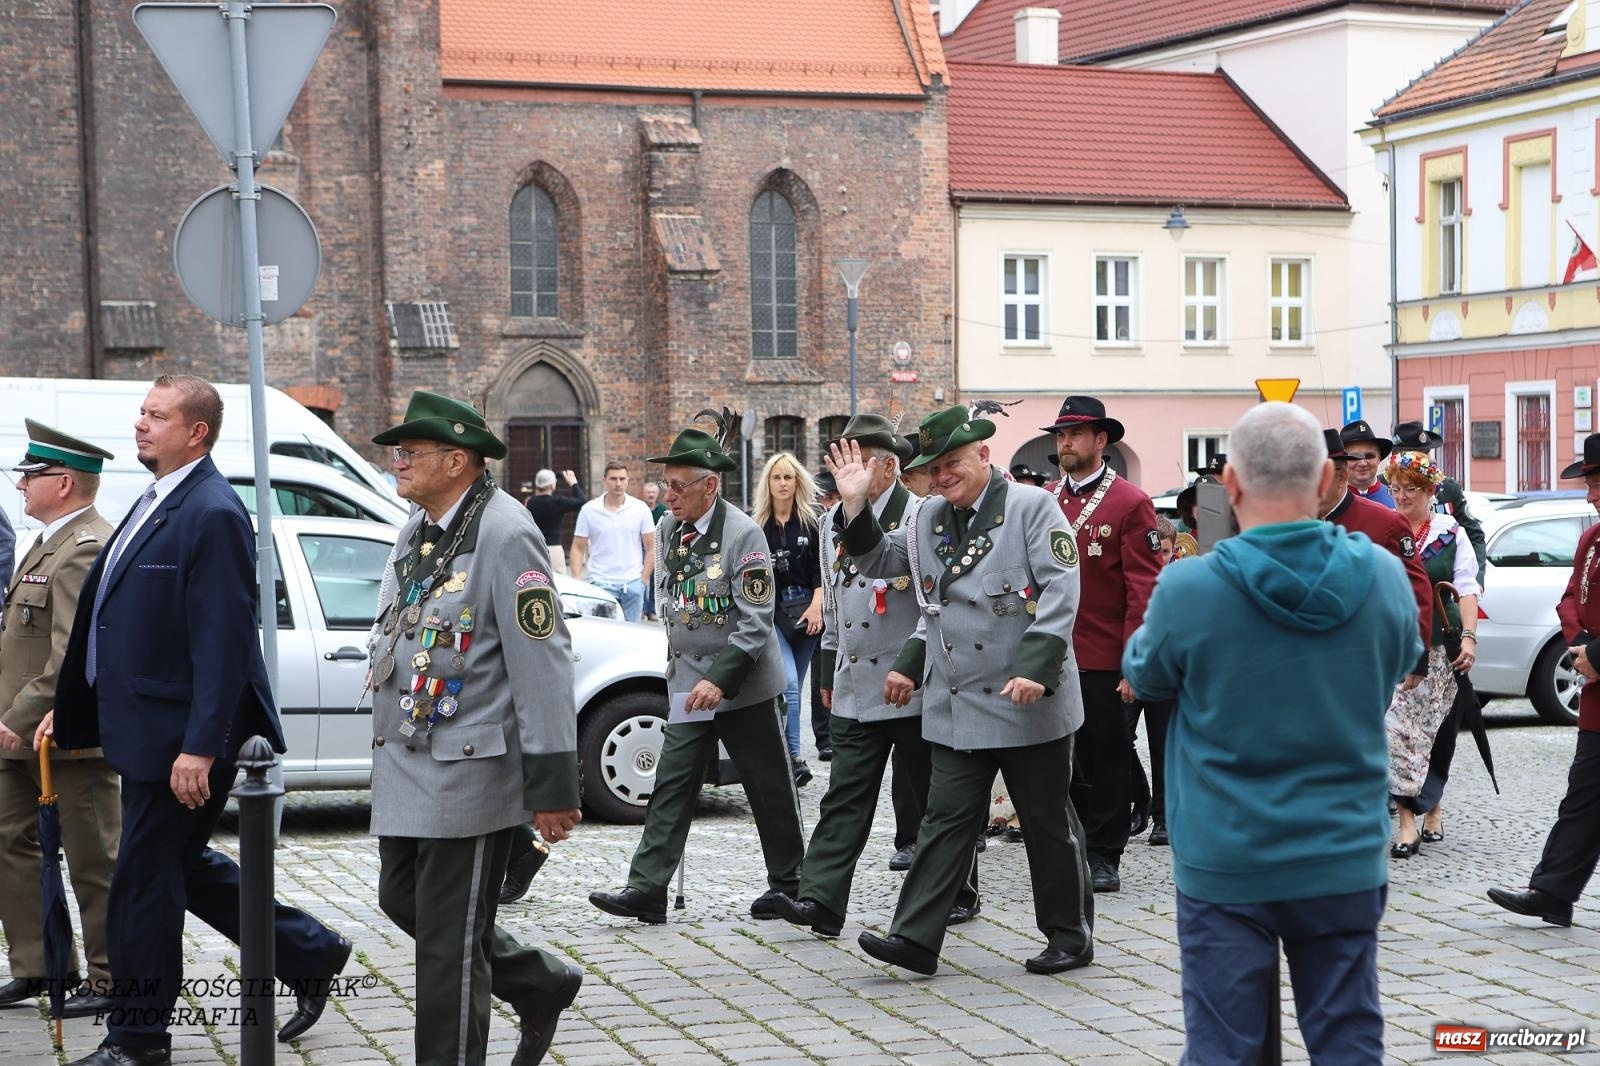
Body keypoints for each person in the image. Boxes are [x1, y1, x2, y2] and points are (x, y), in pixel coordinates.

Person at [44, 375, 351, 1066]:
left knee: (144, 882)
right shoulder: (157, 499)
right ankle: (310, 950)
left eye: (157, 415)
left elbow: (224, 642)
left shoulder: (211, 511)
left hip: (178, 741)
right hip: (142, 730)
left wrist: (201, 747)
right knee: (181, 867)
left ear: (196, 432)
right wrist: (71, 712)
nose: (141, 424)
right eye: (142, 413)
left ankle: (138, 1038)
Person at [1123, 402, 1422, 1064]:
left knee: (1225, 1048)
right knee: (1347, 1035)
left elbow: (1145, 675)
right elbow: (1404, 658)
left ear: (1228, 484)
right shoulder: (1381, 574)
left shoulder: (1189, 587)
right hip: (1341, 846)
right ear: (1325, 481)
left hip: (1227, 853)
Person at [828, 404, 1092, 977]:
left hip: (1026, 696)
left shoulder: (1030, 507)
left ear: (984, 456)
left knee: (1045, 822)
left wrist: (1036, 667)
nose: (943, 475)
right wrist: (854, 504)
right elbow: (879, 559)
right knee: (944, 820)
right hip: (959, 699)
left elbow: (1059, 590)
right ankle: (916, 938)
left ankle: (1069, 937)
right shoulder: (926, 518)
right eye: (934, 469)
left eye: (953, 463)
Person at [367, 390, 584, 1066]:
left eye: (411, 452)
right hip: (412, 759)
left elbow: (543, 660)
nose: (397, 462)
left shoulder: (504, 530)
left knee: (449, 953)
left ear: (456, 460)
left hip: (472, 769)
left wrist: (552, 784)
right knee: (403, 900)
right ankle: (539, 982)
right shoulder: (419, 528)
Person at [771, 414, 980, 940]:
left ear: (887, 467)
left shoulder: (923, 517)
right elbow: (836, 599)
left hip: (912, 677)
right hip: (855, 679)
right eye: (843, 461)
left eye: (860, 461)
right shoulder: (833, 520)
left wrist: (913, 665)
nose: (850, 473)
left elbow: (935, 603)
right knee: (844, 794)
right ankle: (820, 898)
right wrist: (827, 664)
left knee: (934, 794)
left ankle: (959, 890)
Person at [590, 425, 805, 924]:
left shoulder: (743, 535)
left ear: (710, 487)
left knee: (768, 786)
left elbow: (756, 622)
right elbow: (672, 598)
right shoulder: (668, 530)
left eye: (678, 486)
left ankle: (791, 884)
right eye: (666, 485)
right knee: (672, 781)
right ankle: (647, 888)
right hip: (689, 679)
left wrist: (721, 679)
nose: (669, 496)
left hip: (744, 684)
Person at [0, 423, 118, 1019]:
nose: (20, 483)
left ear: (64, 481)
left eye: (31, 474)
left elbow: (71, 654)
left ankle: (109, 977)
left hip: (60, 736)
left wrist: (22, 715)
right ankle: (40, 965)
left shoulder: (86, 547)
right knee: (8, 844)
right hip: (16, 735)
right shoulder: (48, 540)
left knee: (94, 859)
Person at [1043, 396, 1161, 893]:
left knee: (1108, 754)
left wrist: (1136, 660)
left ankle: (1105, 853)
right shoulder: (1046, 497)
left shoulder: (1130, 502)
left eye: (1076, 433)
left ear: (1100, 440)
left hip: (1106, 653)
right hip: (1051, 651)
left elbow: (1144, 588)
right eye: (1061, 434)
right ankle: (1072, 843)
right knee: (1061, 757)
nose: (1065, 442)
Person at [1488, 433, 1600, 927]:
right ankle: (1553, 891)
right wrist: (1580, 647)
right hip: (1597, 688)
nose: (1591, 494)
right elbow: (1570, 597)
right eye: (1590, 483)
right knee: (1584, 795)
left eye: (1598, 483)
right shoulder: (1590, 539)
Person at [1392, 421, 1489, 842]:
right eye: (1395, 486)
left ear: (1431, 491)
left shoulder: (1452, 534)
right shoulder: (1384, 529)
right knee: (1396, 731)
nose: (1400, 495)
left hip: (1439, 646)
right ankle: (1406, 821)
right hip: (1393, 648)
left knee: (1437, 730)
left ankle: (1433, 804)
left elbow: (1466, 588)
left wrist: (1469, 636)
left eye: (1409, 487)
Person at [753, 452, 825, 785]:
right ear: (768, 483)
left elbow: (821, 570)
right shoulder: (757, 526)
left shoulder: (813, 520)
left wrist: (817, 605)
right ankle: (794, 757)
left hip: (808, 615)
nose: (783, 484)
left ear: (798, 482)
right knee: (791, 686)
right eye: (776, 478)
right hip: (774, 616)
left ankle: (784, 751)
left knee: (795, 686)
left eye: (788, 477)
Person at [1126, 515, 1177, 847]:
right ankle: (1138, 795)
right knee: (1115, 741)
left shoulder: (1181, 581)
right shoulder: (1128, 577)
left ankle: (1164, 818)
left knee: (1164, 748)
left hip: (1166, 674)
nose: (1161, 558)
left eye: (1167, 550)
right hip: (1129, 671)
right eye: (1157, 551)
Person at [570, 461, 655, 623]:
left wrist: (643, 581)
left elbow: (651, 547)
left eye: (622, 479)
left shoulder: (640, 509)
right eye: (613, 479)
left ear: (628, 480)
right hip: (600, 583)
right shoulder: (589, 510)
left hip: (632, 584)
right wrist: (577, 578)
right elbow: (577, 547)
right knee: (603, 638)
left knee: (632, 637)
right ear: (604, 480)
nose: (618, 484)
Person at [525, 468, 585, 573]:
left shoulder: (530, 502)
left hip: (534, 547)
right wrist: (573, 483)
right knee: (558, 583)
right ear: (553, 485)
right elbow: (581, 501)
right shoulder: (558, 502)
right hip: (554, 548)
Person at [1341, 419, 1396, 508]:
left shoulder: (1397, 499)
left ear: (1379, 458)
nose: (1362, 463)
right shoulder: (1330, 502)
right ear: (1342, 462)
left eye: (1369, 455)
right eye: (1355, 457)